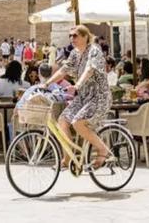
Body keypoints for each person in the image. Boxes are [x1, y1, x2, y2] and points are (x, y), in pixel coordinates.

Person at [45, 25, 112, 169]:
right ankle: (67, 158)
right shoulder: (75, 53)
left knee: (77, 123)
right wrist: (47, 83)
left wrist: (77, 85)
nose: (71, 38)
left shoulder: (95, 51)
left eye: (75, 35)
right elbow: (64, 70)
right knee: (62, 120)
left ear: (85, 36)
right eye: (70, 36)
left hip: (98, 97)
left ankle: (102, 149)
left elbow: (90, 69)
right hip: (83, 97)